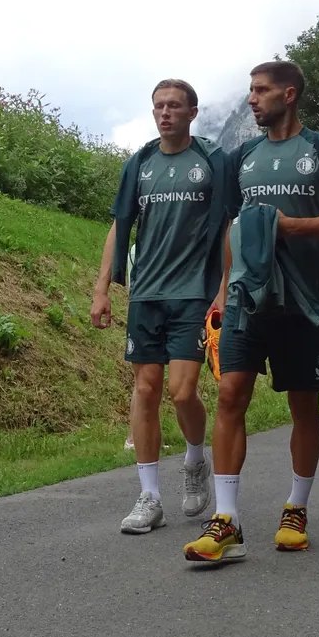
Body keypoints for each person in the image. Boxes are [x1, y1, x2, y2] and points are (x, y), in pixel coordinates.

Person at [183, 60, 319, 563]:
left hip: (307, 304)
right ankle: (226, 520)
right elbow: (232, 228)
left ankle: (296, 509)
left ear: (289, 95)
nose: (251, 99)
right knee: (229, 393)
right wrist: (222, 291)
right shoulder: (243, 157)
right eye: (250, 91)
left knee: (303, 406)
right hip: (247, 299)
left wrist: (291, 227)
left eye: (260, 91)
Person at [91, 78, 228, 534]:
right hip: (146, 294)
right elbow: (120, 224)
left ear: (192, 112)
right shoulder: (140, 164)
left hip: (192, 293)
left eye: (174, 106)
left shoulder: (211, 161)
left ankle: (194, 461)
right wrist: (102, 287)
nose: (165, 112)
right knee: (146, 390)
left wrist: (224, 289)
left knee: (182, 391)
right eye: (158, 106)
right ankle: (149, 497)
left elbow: (227, 229)